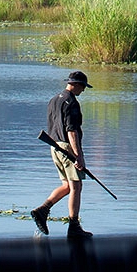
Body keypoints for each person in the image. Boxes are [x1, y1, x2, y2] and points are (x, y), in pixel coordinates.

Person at [31, 71, 93, 239]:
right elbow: (71, 130)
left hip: (54, 146)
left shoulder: (54, 100)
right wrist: (78, 156)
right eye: (83, 87)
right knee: (76, 186)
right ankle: (74, 227)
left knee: (67, 185)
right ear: (77, 84)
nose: (83, 91)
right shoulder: (71, 102)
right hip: (67, 146)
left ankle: (42, 210)